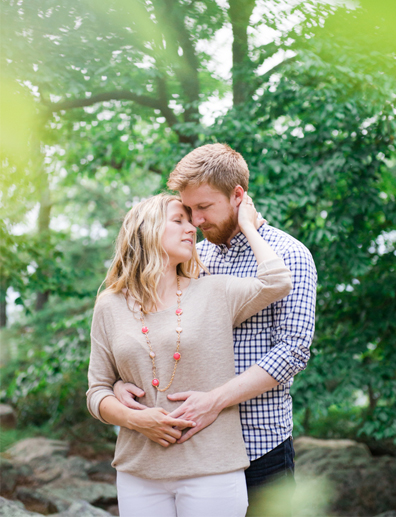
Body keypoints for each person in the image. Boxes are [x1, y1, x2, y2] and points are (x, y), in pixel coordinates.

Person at [113, 144, 317, 506]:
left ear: (238, 196)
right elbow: (155, 330)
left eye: (204, 207)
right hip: (193, 450)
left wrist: (214, 401)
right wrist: (121, 382)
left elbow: (292, 352)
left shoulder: (289, 255)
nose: (195, 221)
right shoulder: (193, 256)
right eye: (188, 210)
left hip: (259, 442)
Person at [87, 193, 292, 516]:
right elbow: (97, 390)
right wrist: (135, 419)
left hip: (213, 469)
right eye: (178, 220)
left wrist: (247, 226)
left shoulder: (216, 291)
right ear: (147, 230)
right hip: (138, 472)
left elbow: (277, 280)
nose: (192, 228)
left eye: (191, 221)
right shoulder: (109, 305)